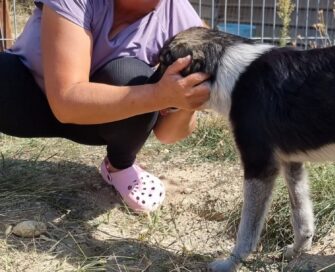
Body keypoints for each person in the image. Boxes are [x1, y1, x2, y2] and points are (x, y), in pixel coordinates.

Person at [0, 0, 211, 213]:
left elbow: (168, 135)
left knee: (130, 76)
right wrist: (158, 95)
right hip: (27, 98)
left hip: (100, 120)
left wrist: (184, 100)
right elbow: (66, 102)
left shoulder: (180, 18)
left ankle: (119, 166)